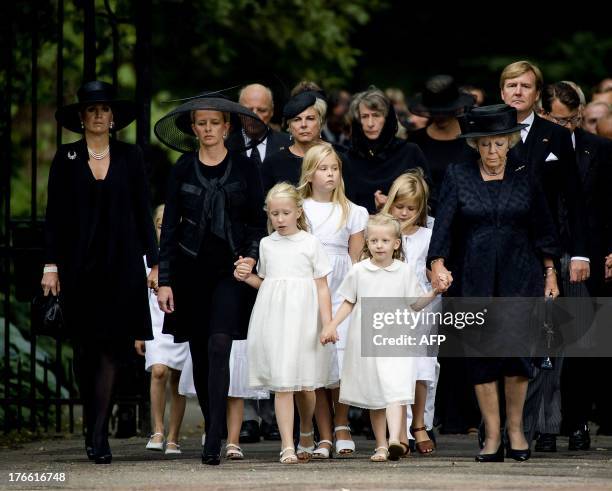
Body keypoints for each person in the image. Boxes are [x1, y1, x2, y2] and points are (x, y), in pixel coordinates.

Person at [428, 104, 561, 462]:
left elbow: (543, 228)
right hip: (475, 276)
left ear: (510, 142)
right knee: (481, 355)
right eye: (484, 144)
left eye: (498, 144)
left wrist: (550, 272)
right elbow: (444, 227)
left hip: (521, 275)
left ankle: (515, 431)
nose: (491, 152)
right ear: (475, 145)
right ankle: (490, 435)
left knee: (517, 354)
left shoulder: (526, 175)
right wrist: (437, 264)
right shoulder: (458, 175)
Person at [41, 80, 159, 464]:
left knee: (113, 348)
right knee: (85, 351)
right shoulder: (67, 157)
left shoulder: (130, 156)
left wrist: (155, 262)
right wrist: (51, 264)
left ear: (112, 118)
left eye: (104, 109)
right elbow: (54, 217)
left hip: (121, 265)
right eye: (91, 109)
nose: (98, 115)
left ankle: (98, 435)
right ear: (81, 118)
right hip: (79, 268)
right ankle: (92, 421)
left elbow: (144, 212)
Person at [153, 94, 267, 465]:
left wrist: (250, 255)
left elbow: (255, 220)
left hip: (230, 270)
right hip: (190, 271)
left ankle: (213, 436)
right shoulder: (183, 168)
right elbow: (169, 227)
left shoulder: (246, 169)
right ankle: (212, 426)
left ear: (226, 126)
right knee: (200, 353)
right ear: (194, 128)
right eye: (201, 123)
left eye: (214, 122)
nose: (207, 129)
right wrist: (165, 279)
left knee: (220, 345)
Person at [320, 213, 449, 462]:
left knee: (395, 389)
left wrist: (433, 291)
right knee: (376, 396)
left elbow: (415, 303)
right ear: (367, 243)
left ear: (396, 244)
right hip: (368, 340)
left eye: (385, 241)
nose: (379, 245)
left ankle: (393, 440)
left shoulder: (403, 271)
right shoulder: (359, 271)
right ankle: (381, 445)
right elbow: (348, 301)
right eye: (374, 241)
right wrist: (332, 325)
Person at [235, 182, 338, 464]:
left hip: (305, 320)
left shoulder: (310, 243)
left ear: (297, 212)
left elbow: (322, 287)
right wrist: (247, 276)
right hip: (274, 320)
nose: (279, 219)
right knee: (282, 383)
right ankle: (287, 445)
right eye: (274, 214)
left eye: (285, 213)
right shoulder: (267, 245)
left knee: (306, 386)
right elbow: (268, 284)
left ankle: (306, 429)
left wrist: (328, 323)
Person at [540, 81, 612, 451]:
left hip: (588, 253)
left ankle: (578, 421)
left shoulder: (600, 149)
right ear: (543, 114)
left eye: (572, 120)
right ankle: (547, 426)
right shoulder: (534, 151)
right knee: (548, 342)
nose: (565, 127)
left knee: (585, 342)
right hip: (545, 256)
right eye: (557, 119)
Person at [297, 143, 368, 458]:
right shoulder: (299, 207)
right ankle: (323, 432)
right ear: (310, 173)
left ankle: (342, 424)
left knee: (341, 358)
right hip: (309, 285)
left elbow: (355, 260)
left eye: (334, 168)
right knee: (317, 362)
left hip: (340, 287)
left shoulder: (353, 211)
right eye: (323, 168)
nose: (330, 174)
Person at [381, 170, 439, 455]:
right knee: (393, 368)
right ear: (390, 203)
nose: (404, 213)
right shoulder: (382, 233)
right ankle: (397, 430)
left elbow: (431, 270)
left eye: (411, 208)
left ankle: (419, 424)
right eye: (399, 206)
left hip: (422, 306)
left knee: (420, 368)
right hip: (390, 305)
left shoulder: (429, 235)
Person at [341, 86, 431, 214]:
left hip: (403, 229)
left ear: (387, 118)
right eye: (364, 116)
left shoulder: (409, 153)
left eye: (376, 115)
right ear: (358, 121)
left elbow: (427, 200)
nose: (370, 123)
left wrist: (392, 206)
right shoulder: (348, 159)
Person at [144, 205, 190, 455]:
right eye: (160, 225)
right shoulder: (148, 259)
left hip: (180, 321)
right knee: (159, 371)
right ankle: (158, 429)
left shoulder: (186, 255)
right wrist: (139, 334)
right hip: (155, 324)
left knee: (178, 379)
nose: (165, 229)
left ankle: (174, 435)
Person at [407, 75, 476, 215]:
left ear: (456, 108)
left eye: (445, 111)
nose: (439, 116)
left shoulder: (474, 139)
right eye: (434, 111)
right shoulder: (415, 141)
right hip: (425, 217)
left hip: (467, 215)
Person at [261, 91, 327, 193]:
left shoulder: (335, 159)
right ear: (289, 126)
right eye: (297, 119)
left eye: (310, 118)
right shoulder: (273, 163)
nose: (303, 124)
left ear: (320, 122)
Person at [225, 83, 290, 168]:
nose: (254, 115)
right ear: (239, 112)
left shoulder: (289, 145)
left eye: (262, 110)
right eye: (248, 110)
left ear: (271, 112)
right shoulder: (225, 147)